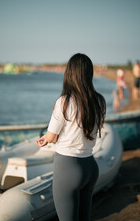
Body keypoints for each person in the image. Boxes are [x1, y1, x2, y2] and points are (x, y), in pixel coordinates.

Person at [36, 53, 106, 221]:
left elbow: (51, 136)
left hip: (68, 167)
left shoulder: (64, 102)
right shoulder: (99, 101)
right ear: (89, 73)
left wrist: (45, 138)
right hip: (90, 165)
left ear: (69, 73)